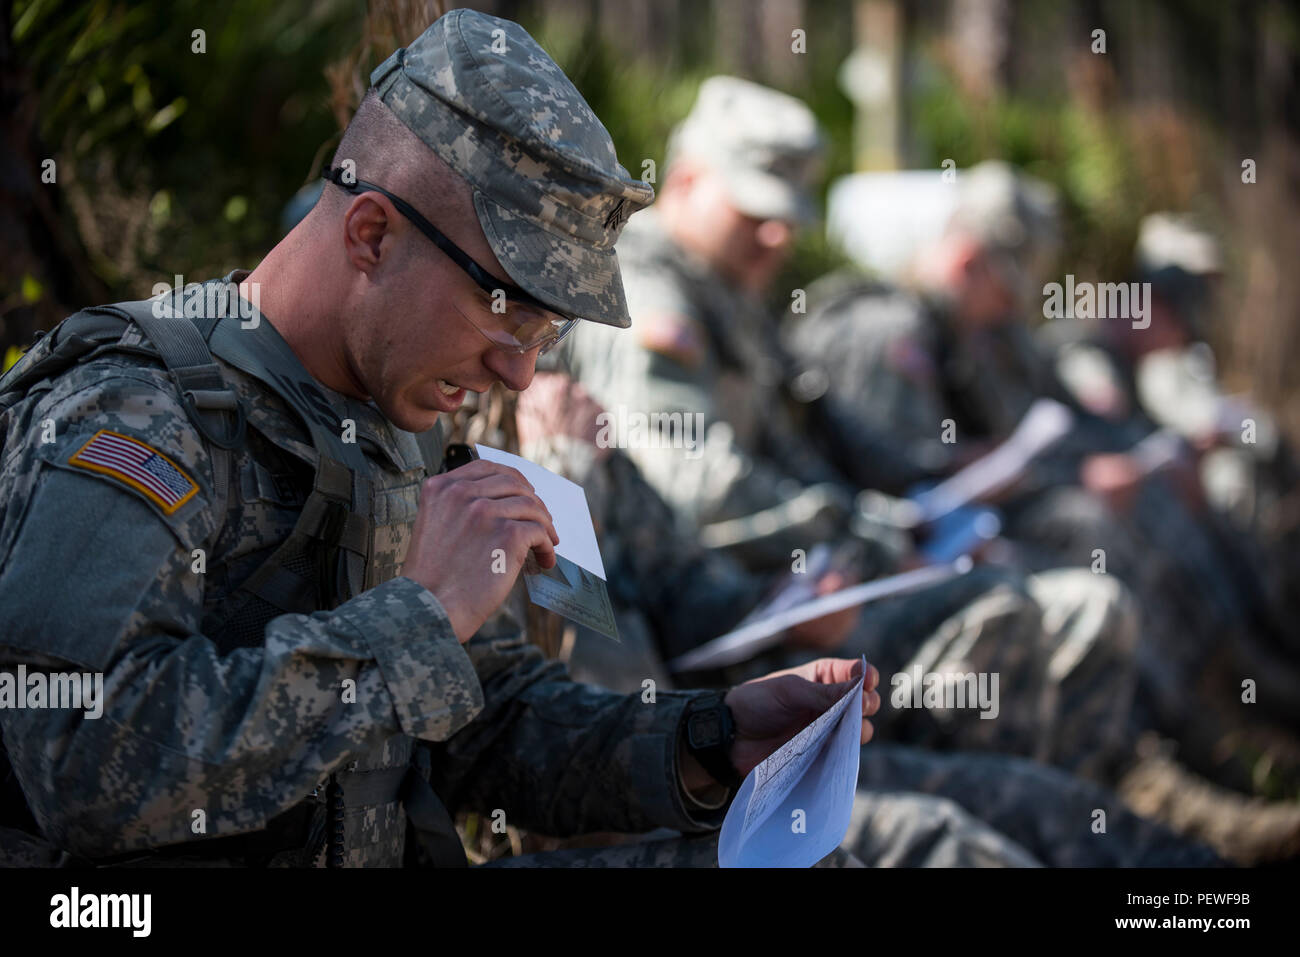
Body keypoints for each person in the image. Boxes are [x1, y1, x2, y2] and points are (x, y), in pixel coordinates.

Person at [0, 10, 891, 868]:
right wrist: (415, 618)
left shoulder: (397, 421)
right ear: (372, 234)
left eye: (546, 339)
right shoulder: (135, 413)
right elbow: (85, 761)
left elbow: (488, 720)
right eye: (505, 319)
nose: (519, 376)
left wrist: (707, 736)